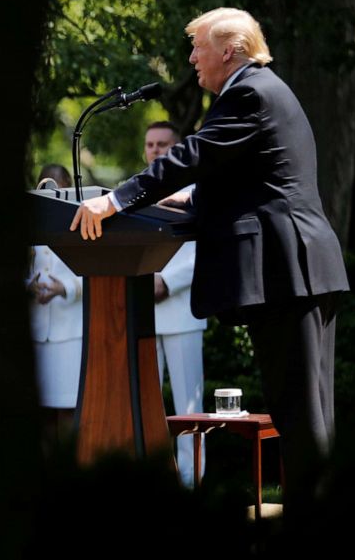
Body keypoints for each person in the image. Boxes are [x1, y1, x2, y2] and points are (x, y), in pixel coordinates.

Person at [71, 8, 349, 516]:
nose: (192, 58)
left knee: (302, 414)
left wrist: (115, 201)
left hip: (290, 270)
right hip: (299, 269)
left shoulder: (250, 92)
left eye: (198, 46)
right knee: (306, 412)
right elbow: (242, 180)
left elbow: (193, 154)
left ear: (230, 49)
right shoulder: (257, 91)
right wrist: (191, 205)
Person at [143, 121, 208, 487]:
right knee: (148, 403)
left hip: (182, 308)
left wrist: (167, 280)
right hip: (144, 314)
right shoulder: (135, 191)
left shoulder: (196, 190)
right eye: (150, 145)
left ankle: (192, 480)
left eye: (163, 144)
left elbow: (206, 249)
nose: (155, 150)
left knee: (188, 405)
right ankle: (155, 479)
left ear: (178, 147)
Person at [29, 165, 83, 458]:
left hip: (70, 331)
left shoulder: (79, 217)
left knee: (69, 409)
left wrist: (66, 288)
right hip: (38, 332)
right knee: (42, 414)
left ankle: (69, 473)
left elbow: (95, 271)